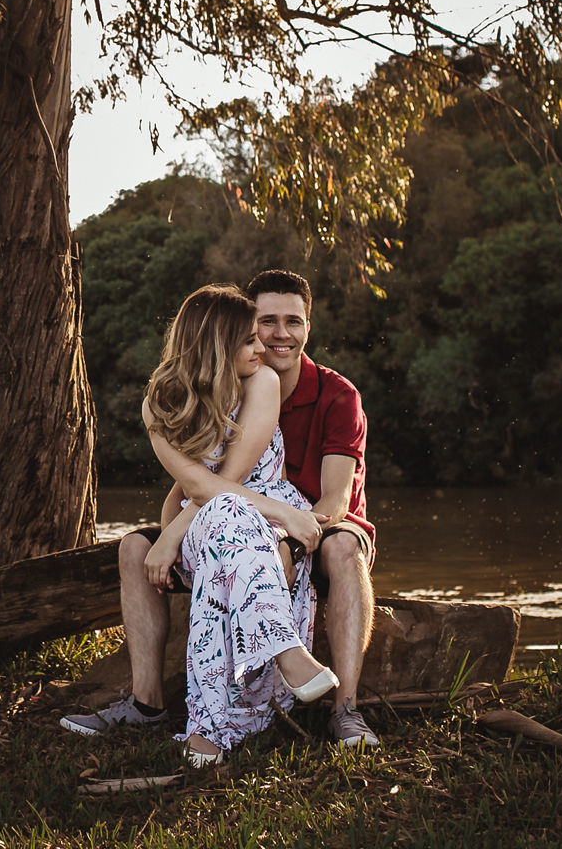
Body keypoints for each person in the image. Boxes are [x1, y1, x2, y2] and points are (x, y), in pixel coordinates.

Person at [61, 269, 382, 750]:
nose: (277, 335)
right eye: (264, 323)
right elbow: (197, 483)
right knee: (136, 546)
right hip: (227, 517)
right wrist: (169, 533)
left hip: (314, 526)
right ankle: (148, 704)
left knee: (339, 549)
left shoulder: (334, 395)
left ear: (308, 327)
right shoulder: (197, 392)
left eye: (292, 322)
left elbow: (333, 502)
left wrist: (288, 540)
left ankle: (346, 711)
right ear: (233, 332)